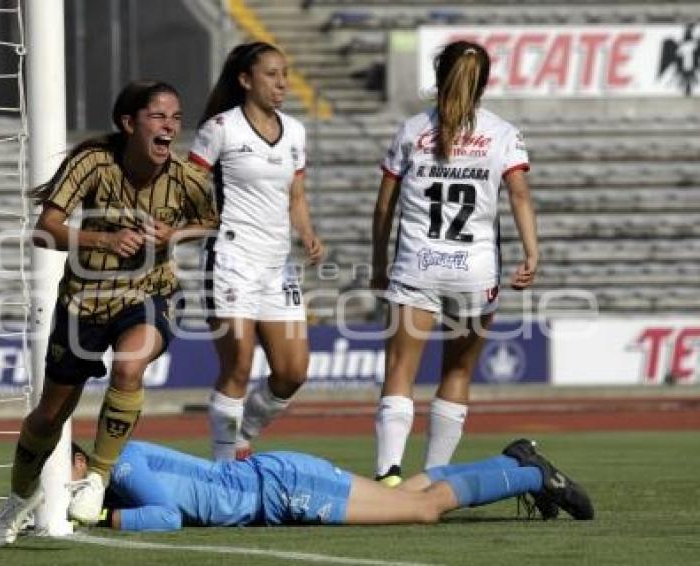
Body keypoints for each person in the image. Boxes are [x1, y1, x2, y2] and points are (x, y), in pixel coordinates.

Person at [0, 80, 217, 548]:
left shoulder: (188, 178)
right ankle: (16, 500)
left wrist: (176, 235)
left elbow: (211, 221)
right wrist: (102, 240)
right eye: (158, 117)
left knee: (130, 368)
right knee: (49, 417)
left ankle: (98, 478)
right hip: (83, 305)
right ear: (129, 123)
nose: (170, 126)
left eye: (175, 117)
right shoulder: (92, 162)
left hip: (149, 295)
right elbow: (45, 229)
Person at [371, 41, 539, 484]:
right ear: (484, 82)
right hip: (474, 271)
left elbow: (384, 206)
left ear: (438, 74)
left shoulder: (411, 130)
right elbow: (519, 194)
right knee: (458, 370)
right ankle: (434, 476)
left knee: (400, 370)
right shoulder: (503, 133)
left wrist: (376, 262)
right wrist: (532, 251)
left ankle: (388, 472)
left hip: (417, 265)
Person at [187, 42, 325, 461]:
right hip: (230, 258)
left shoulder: (296, 132)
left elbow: (295, 194)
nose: (282, 83)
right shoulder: (220, 129)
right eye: (271, 74)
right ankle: (225, 465)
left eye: (284, 73)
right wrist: (190, 226)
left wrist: (307, 233)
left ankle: (244, 428)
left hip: (277, 265)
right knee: (239, 365)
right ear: (246, 80)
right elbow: (190, 185)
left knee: (293, 371)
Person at [64, 438, 592, 533]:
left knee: (422, 511)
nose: (62, 487)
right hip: (280, 481)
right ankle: (513, 460)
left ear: (83, 460)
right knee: (409, 496)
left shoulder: (122, 464)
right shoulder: (119, 466)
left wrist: (97, 518)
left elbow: (167, 517)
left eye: (63, 473)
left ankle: (534, 475)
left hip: (282, 490)